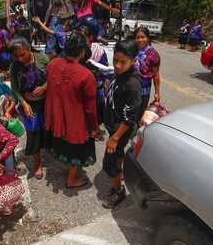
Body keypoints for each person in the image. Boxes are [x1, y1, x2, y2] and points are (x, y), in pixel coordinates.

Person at [45, 31, 99, 188]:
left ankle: (68, 170)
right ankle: (72, 179)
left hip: (57, 116)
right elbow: (90, 109)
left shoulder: (52, 64)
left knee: (63, 145)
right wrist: (94, 128)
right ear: (82, 51)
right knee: (78, 149)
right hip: (75, 120)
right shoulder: (86, 75)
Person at [103, 39, 142, 208]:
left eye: (122, 62)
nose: (117, 65)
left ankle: (118, 191)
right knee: (117, 156)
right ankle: (119, 170)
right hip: (114, 125)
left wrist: (115, 138)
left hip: (121, 130)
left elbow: (130, 118)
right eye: (115, 60)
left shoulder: (132, 84)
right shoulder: (120, 74)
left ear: (133, 60)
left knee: (109, 162)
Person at [9, 37, 50, 179]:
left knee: (47, 130)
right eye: (16, 56)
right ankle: (38, 163)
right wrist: (24, 103)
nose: (20, 59)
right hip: (28, 105)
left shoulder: (42, 58)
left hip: (45, 103)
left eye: (22, 54)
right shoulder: (14, 66)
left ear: (28, 49)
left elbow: (53, 77)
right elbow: (14, 88)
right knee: (33, 134)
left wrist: (44, 87)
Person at [134, 27, 161, 115]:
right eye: (138, 37)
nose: (140, 40)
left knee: (140, 112)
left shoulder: (153, 54)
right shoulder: (132, 50)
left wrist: (157, 92)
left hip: (144, 89)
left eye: (143, 37)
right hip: (131, 87)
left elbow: (156, 75)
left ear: (148, 38)